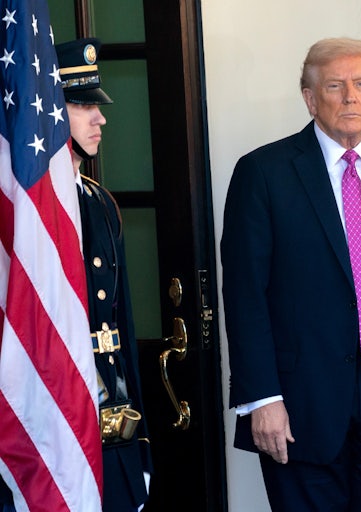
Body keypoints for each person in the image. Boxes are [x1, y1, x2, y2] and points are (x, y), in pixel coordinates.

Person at [220, 37, 361, 511]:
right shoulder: (263, 173)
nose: (350, 96)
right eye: (335, 85)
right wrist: (261, 396)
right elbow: (245, 294)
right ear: (309, 97)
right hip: (301, 397)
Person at [57, 38, 152, 511]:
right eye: (81, 104)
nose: (101, 118)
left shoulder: (100, 202)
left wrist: (140, 445)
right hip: (50, 427)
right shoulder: (22, 216)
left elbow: (122, 330)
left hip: (109, 425)